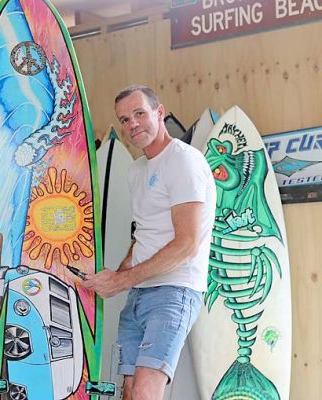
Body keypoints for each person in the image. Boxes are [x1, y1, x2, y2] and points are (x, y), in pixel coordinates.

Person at [82, 85, 215, 400]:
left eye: (139, 113)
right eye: (124, 119)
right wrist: (115, 275)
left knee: (144, 392)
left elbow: (187, 244)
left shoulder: (183, 161)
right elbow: (143, 234)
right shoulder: (137, 170)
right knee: (129, 391)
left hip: (174, 291)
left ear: (159, 112)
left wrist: (122, 281)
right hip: (139, 294)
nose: (132, 124)